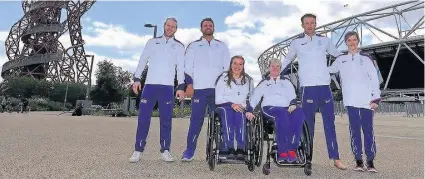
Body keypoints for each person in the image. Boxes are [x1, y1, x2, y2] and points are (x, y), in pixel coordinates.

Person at [280, 13, 347, 169]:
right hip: (307, 89)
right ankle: (307, 158)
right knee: (307, 125)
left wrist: (329, 70)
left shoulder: (324, 41)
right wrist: (275, 73)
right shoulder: (296, 43)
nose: (310, 25)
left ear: (316, 24)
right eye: (307, 23)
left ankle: (336, 158)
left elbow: (339, 57)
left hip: (324, 87)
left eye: (312, 23)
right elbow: (287, 60)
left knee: (330, 124)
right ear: (302, 25)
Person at [129, 17, 186, 163]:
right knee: (143, 119)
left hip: (167, 88)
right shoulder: (152, 42)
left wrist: (181, 86)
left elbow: (180, 68)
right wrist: (136, 79)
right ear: (164, 26)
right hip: (150, 86)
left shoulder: (179, 46)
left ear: (176, 29)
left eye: (173, 26)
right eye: (168, 25)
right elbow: (142, 60)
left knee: (166, 120)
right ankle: (138, 150)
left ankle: (165, 150)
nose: (170, 28)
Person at [328, 31, 380, 173]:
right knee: (354, 132)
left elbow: (374, 78)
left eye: (354, 40)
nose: (352, 42)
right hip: (350, 102)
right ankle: (358, 161)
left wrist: (376, 98)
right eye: (349, 40)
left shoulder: (366, 58)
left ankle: (370, 162)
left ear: (358, 41)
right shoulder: (341, 59)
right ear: (346, 42)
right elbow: (330, 70)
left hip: (366, 102)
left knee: (368, 132)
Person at [181, 17, 231, 161]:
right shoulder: (193, 46)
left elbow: (227, 69)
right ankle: (189, 151)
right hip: (199, 90)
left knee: (221, 120)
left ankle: (223, 150)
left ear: (214, 28)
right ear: (201, 28)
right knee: (196, 121)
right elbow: (187, 68)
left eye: (210, 25)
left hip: (218, 90)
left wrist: (226, 88)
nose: (208, 27)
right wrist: (189, 84)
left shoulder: (222, 46)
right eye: (205, 25)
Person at [246, 58, 305, 163]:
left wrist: (293, 104)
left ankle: (292, 148)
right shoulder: (264, 83)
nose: (275, 68)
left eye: (277, 66)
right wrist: (250, 110)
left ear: (280, 68)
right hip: (269, 108)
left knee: (299, 113)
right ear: (269, 68)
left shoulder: (286, 82)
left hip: (286, 108)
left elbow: (292, 95)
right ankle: (282, 151)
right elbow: (255, 98)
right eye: (273, 66)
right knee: (282, 114)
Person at [214, 55, 254, 160]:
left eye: (240, 64)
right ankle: (229, 147)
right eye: (235, 63)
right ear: (231, 64)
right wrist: (231, 104)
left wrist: (249, 110)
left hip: (241, 107)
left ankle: (241, 148)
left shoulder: (248, 80)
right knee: (228, 113)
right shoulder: (223, 78)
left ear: (243, 66)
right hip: (224, 106)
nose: (237, 66)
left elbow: (251, 99)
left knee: (240, 113)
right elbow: (218, 99)